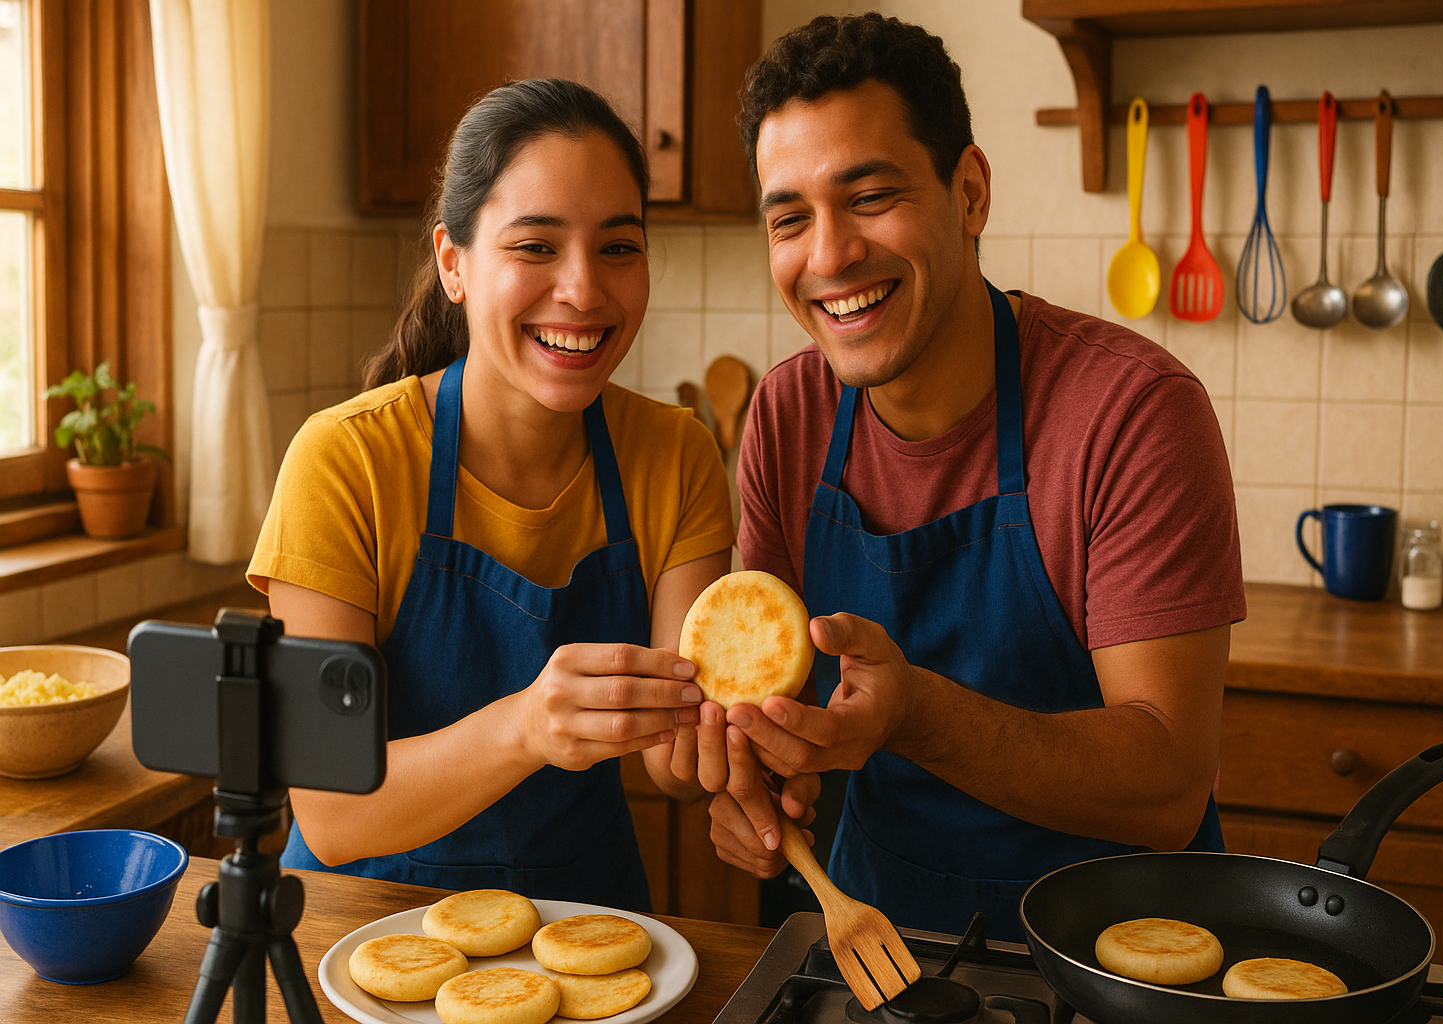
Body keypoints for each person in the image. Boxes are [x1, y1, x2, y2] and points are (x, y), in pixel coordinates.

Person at [695, 14, 1245, 941]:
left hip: (1117, 961)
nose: (828, 256)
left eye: (870, 196)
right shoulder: (787, 415)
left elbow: (1166, 786)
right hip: (877, 937)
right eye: (790, 217)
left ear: (970, 192)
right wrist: (752, 780)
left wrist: (915, 713)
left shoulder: (1132, 411)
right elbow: (763, 700)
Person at [246, 79, 734, 909]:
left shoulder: (678, 454)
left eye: (619, 247)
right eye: (536, 247)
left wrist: (725, 753)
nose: (583, 289)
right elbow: (329, 813)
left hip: (586, 927)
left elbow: (672, 765)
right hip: (364, 927)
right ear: (453, 263)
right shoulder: (345, 463)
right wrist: (527, 727)